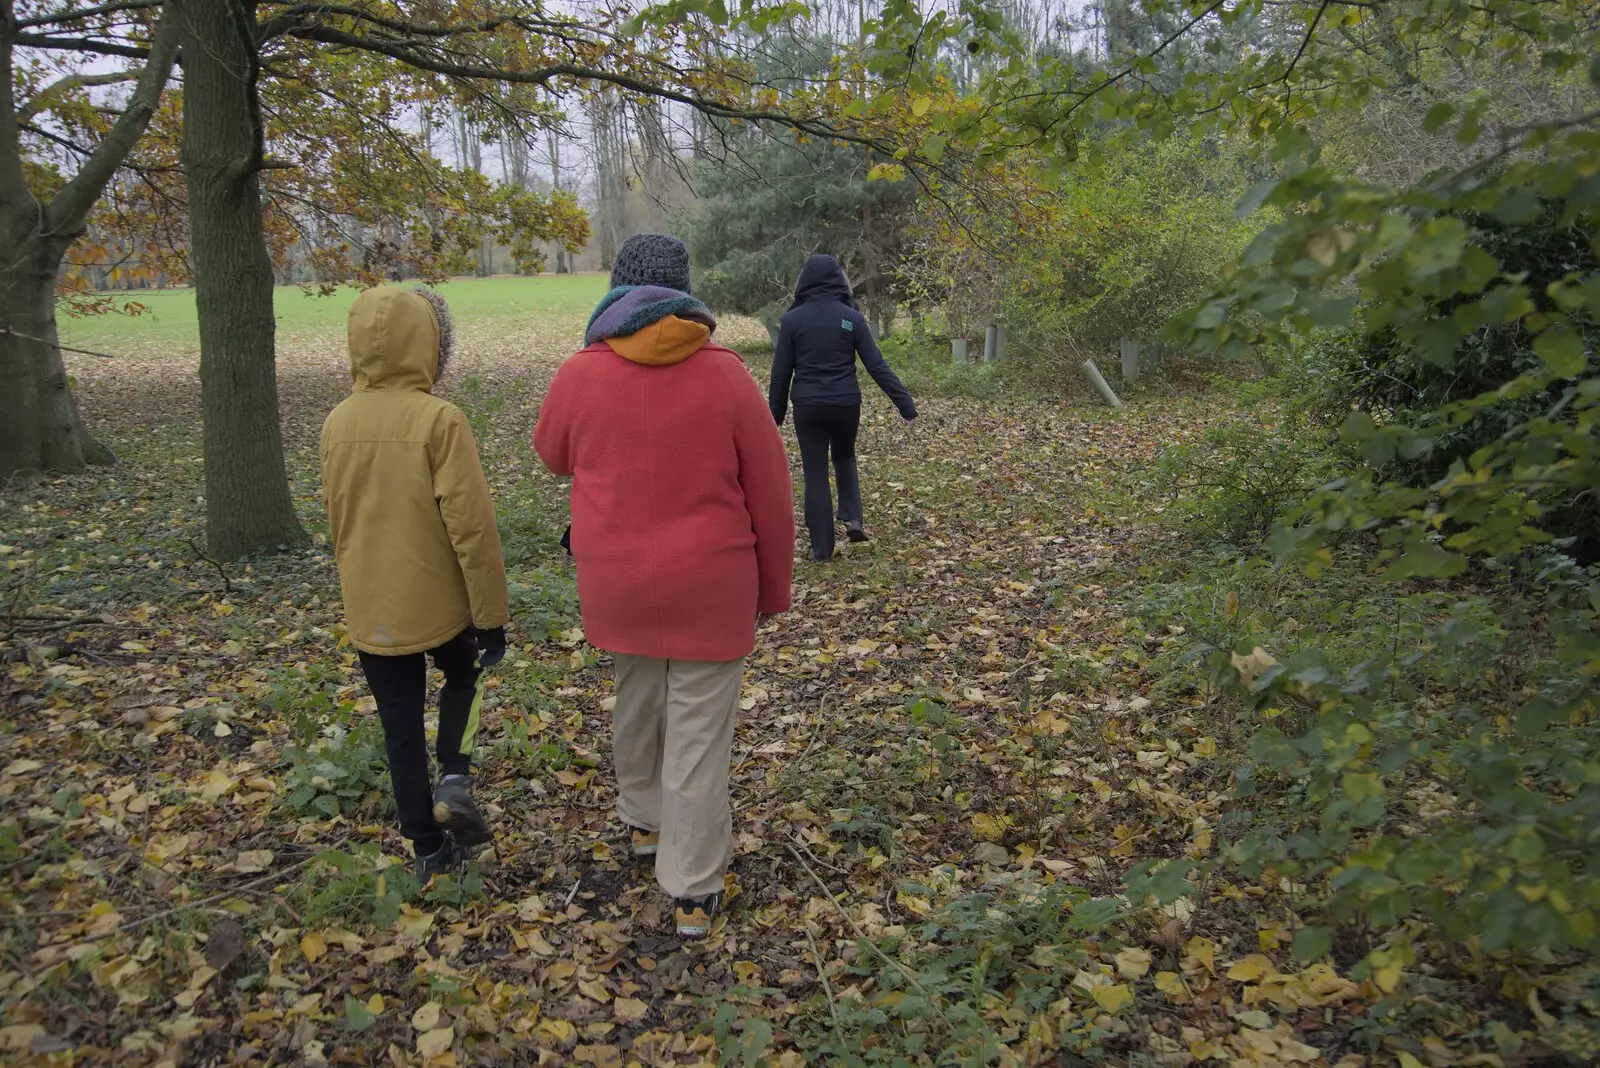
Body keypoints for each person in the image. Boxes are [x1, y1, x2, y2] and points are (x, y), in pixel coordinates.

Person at [534, 234, 794, 938]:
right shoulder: (728, 376)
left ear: (617, 292)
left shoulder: (579, 373)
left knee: (639, 704)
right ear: (686, 290)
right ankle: (691, 885)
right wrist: (773, 590)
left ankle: (645, 823)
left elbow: (553, 454)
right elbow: (770, 494)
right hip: (713, 583)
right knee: (698, 736)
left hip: (616, 580)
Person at [321, 286, 509, 878]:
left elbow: (337, 517)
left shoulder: (336, 423)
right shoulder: (439, 420)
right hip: (439, 605)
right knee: (466, 671)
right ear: (426, 342)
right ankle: (455, 776)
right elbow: (472, 528)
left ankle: (428, 850)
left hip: (371, 605)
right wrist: (491, 615)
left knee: (398, 726)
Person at [768, 254, 917, 562]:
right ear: (839, 280)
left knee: (815, 473)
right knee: (845, 456)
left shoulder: (792, 320)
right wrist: (905, 404)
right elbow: (876, 365)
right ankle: (852, 518)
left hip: (808, 406)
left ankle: (822, 550)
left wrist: (775, 417)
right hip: (846, 403)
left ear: (804, 282)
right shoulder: (851, 317)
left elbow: (781, 373)